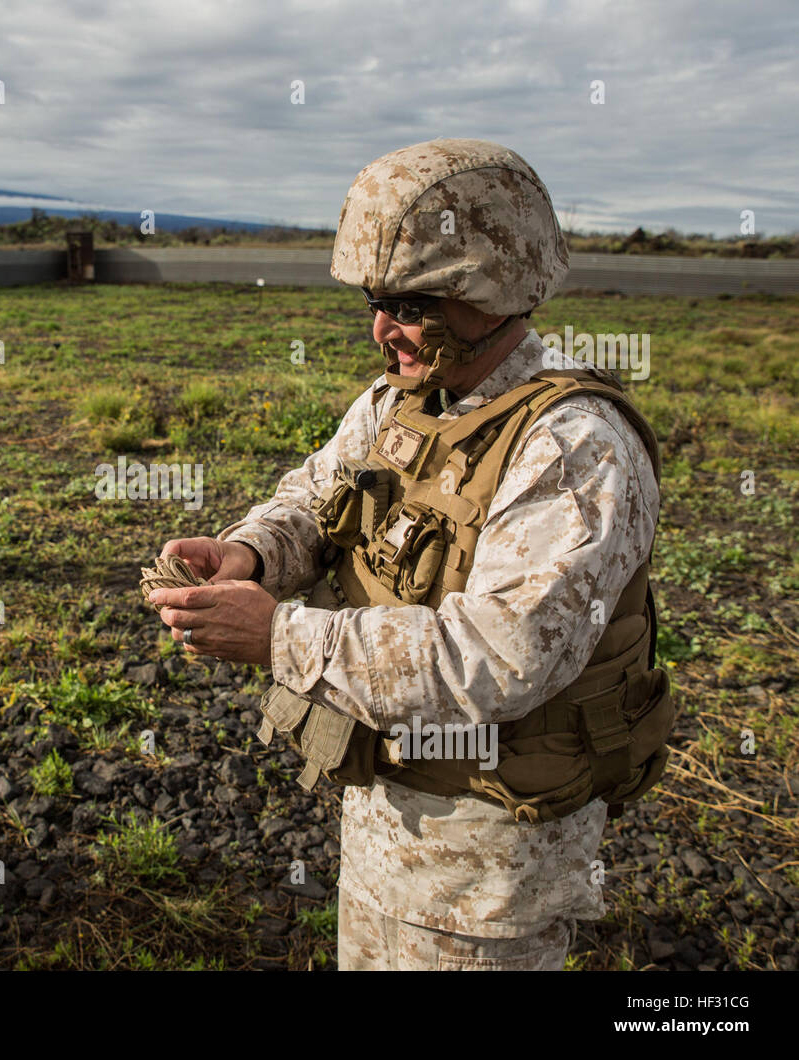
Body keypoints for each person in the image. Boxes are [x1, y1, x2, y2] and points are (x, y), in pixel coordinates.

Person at [148, 138, 674, 970]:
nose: (382, 328)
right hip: (386, 826)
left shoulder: (574, 447)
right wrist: (251, 555)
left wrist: (279, 637)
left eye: (412, 302)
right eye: (373, 299)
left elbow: (502, 657)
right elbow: (317, 498)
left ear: (492, 290)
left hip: (487, 876)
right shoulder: (406, 398)